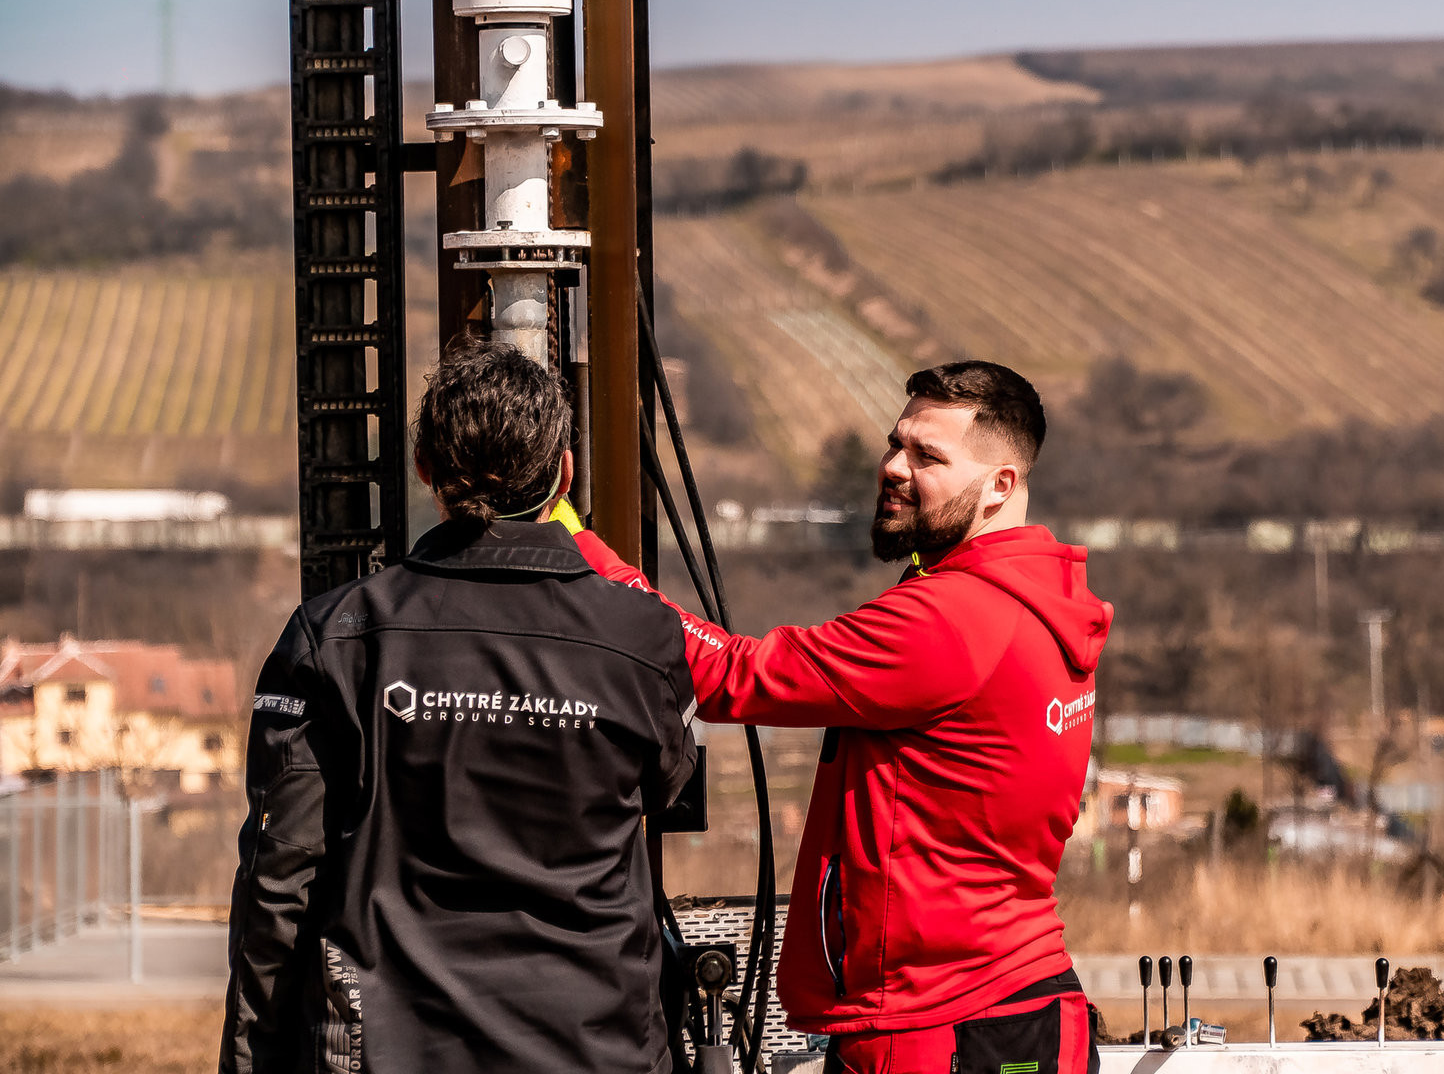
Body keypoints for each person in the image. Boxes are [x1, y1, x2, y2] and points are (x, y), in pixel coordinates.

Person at [566, 360, 1113, 1074]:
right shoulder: (1037, 597)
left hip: (936, 1027)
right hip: (1020, 1003)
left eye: (927, 456)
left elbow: (734, 677)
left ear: (1001, 485)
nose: (893, 467)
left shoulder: (953, 619)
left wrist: (583, 556)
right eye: (895, 444)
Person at [221, 340, 697, 1074]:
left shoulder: (336, 637)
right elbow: (667, 784)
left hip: (387, 1050)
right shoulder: (644, 637)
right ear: (565, 472)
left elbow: (279, 877)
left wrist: (251, 1060)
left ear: (424, 469)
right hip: (597, 1046)